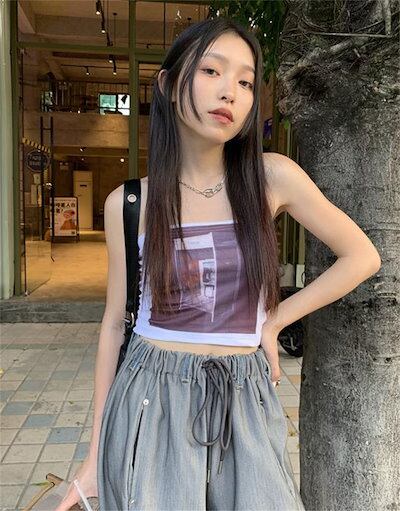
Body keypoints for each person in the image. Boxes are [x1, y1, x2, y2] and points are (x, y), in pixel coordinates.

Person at [57, 16, 381, 511]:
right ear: (169, 85)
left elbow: (362, 256)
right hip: (151, 395)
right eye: (211, 71)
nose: (230, 91)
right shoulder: (129, 203)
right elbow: (114, 325)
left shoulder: (271, 178)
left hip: (244, 395)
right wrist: (95, 454)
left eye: (246, 82)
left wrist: (275, 321)